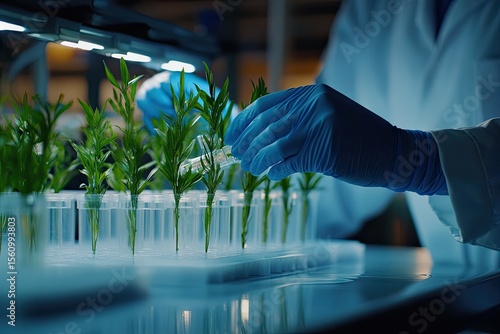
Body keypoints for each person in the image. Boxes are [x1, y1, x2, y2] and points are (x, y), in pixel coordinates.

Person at [137, 0, 500, 264]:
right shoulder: (372, 11)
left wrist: (422, 162)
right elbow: (326, 192)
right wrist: (252, 144)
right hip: (454, 299)